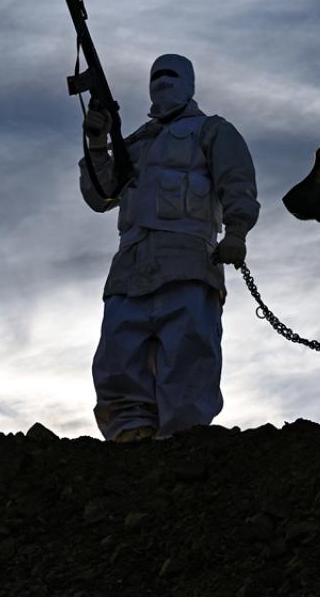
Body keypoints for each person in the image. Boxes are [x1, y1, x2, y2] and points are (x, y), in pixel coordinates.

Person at [79, 53, 259, 442]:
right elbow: (100, 194)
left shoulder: (212, 131)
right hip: (130, 267)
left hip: (189, 262)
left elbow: (237, 183)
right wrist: (97, 142)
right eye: (156, 76)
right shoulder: (135, 144)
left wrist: (237, 233)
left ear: (189, 83)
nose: (162, 82)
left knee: (189, 356)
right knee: (118, 357)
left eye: (171, 75)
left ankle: (183, 446)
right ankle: (131, 440)